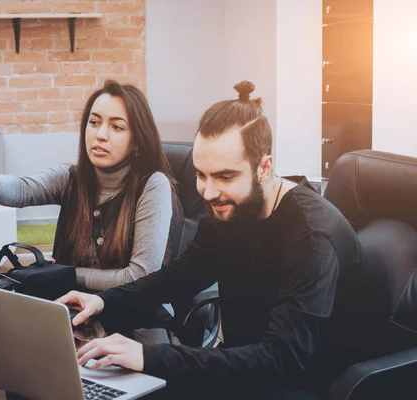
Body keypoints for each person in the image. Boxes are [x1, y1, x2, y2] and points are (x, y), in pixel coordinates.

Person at [56, 81, 361, 399]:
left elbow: (282, 359)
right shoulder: (231, 208)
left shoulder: (311, 239)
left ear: (264, 167)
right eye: (201, 175)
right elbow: (181, 277)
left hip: (302, 384)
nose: (209, 191)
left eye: (225, 176)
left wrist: (149, 357)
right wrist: (105, 301)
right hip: (245, 368)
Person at [0, 80, 184, 344]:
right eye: (94, 122)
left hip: (136, 328)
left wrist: (66, 274)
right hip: (76, 319)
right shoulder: (72, 177)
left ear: (137, 142)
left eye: (117, 127)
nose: (100, 134)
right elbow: (24, 189)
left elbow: (139, 276)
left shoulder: (153, 185)